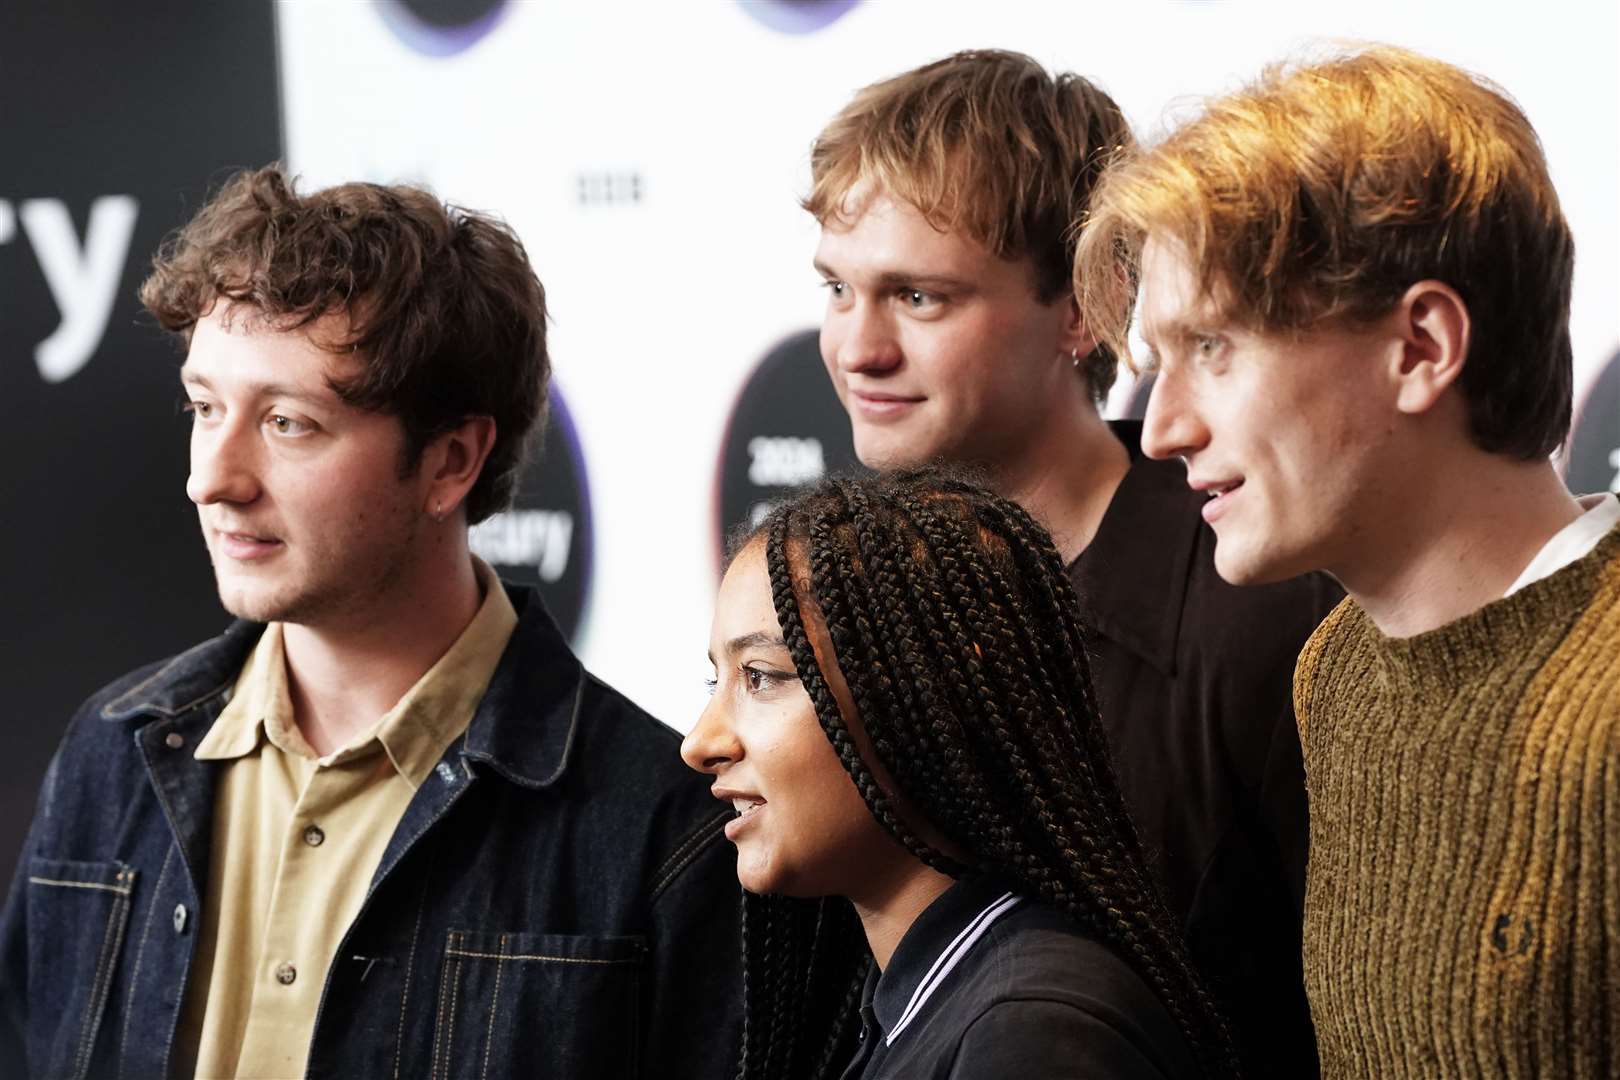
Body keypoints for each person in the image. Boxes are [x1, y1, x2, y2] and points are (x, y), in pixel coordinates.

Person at [0, 165, 740, 1079]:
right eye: (205, 408)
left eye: (288, 423)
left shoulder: (656, 826)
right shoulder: (109, 755)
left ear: (451, 461)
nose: (212, 479)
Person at [1076, 44, 1620, 1078]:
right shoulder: (1333, 674)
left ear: (1420, 347)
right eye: (1161, 363)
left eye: (1216, 348)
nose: (1161, 429)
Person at [806, 48, 1340, 1075]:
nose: (856, 348)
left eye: (918, 298)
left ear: (1086, 307)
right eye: (837, 288)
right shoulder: (831, 608)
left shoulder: (1255, 606)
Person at [683, 468, 1234, 1079]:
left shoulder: (1030, 1035)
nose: (699, 744)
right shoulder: (938, 1003)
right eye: (718, 681)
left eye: (761, 676)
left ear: (928, 694)